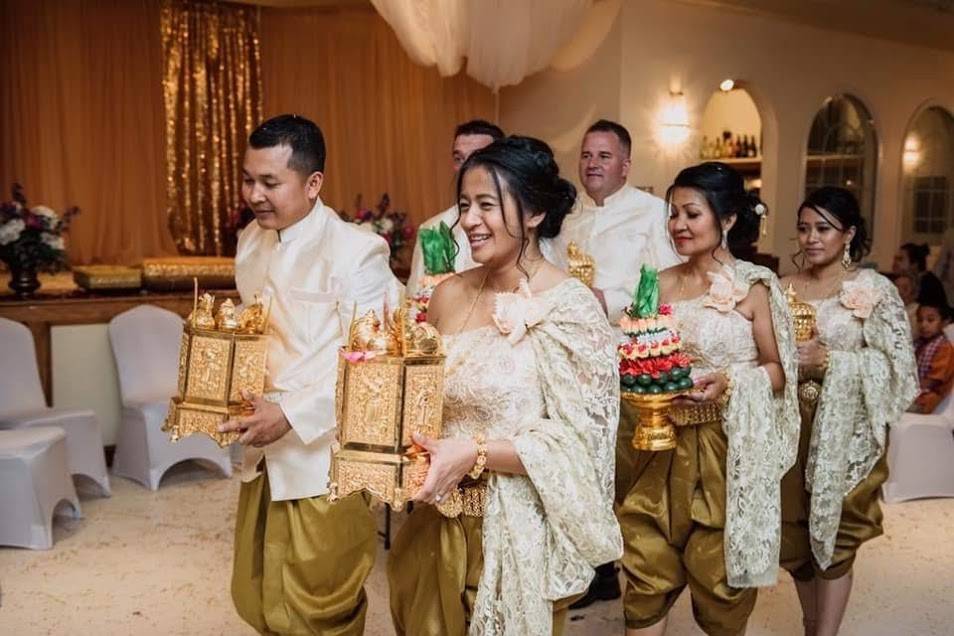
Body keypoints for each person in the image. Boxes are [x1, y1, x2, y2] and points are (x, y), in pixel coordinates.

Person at [387, 136, 623, 636]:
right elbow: (425, 403)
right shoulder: (447, 295)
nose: (470, 220)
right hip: (436, 521)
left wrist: (472, 452)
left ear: (534, 212)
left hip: (515, 533)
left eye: (487, 205)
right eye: (465, 205)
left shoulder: (570, 307)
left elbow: (580, 448)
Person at [220, 114, 402, 635]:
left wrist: (293, 414)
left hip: (323, 453)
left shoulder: (357, 252)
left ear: (313, 182)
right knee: (257, 591)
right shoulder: (250, 242)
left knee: (322, 601)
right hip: (262, 448)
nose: (254, 194)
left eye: (270, 182)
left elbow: (374, 366)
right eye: (248, 178)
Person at [617, 162, 799, 635]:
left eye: (692, 214)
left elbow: (780, 372)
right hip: (659, 442)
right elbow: (638, 352)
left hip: (725, 446)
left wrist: (731, 383)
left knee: (719, 577)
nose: (678, 225)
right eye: (673, 214)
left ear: (729, 219)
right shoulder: (656, 281)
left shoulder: (756, 286)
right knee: (644, 563)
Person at [542, 119, 682, 607]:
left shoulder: (651, 214)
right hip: (570, 355)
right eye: (585, 155)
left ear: (626, 164)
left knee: (618, 459)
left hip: (626, 352)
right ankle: (591, 568)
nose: (592, 164)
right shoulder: (566, 216)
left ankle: (625, 559)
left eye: (603, 156)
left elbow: (665, 280)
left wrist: (609, 298)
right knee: (576, 458)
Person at [780, 186, 918, 636]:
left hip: (847, 431)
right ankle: (808, 623)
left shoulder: (873, 289)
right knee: (796, 537)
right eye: (803, 228)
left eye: (823, 228)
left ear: (849, 233)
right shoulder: (782, 289)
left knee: (836, 537)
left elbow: (898, 369)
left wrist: (832, 362)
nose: (811, 238)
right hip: (789, 428)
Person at [405, 119, 504, 296]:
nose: (465, 168)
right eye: (459, 158)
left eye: (476, 157)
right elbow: (417, 299)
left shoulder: (515, 224)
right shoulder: (434, 231)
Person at [911, 299, 954, 414]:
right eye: (920, 320)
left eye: (930, 320)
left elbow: (934, 380)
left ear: (944, 322)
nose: (923, 325)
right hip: (913, 393)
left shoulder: (944, 348)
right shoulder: (918, 344)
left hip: (927, 399)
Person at [894, 242, 947, 306]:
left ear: (914, 264)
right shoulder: (900, 278)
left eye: (900, 259)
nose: (895, 263)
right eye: (895, 259)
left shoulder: (929, 284)